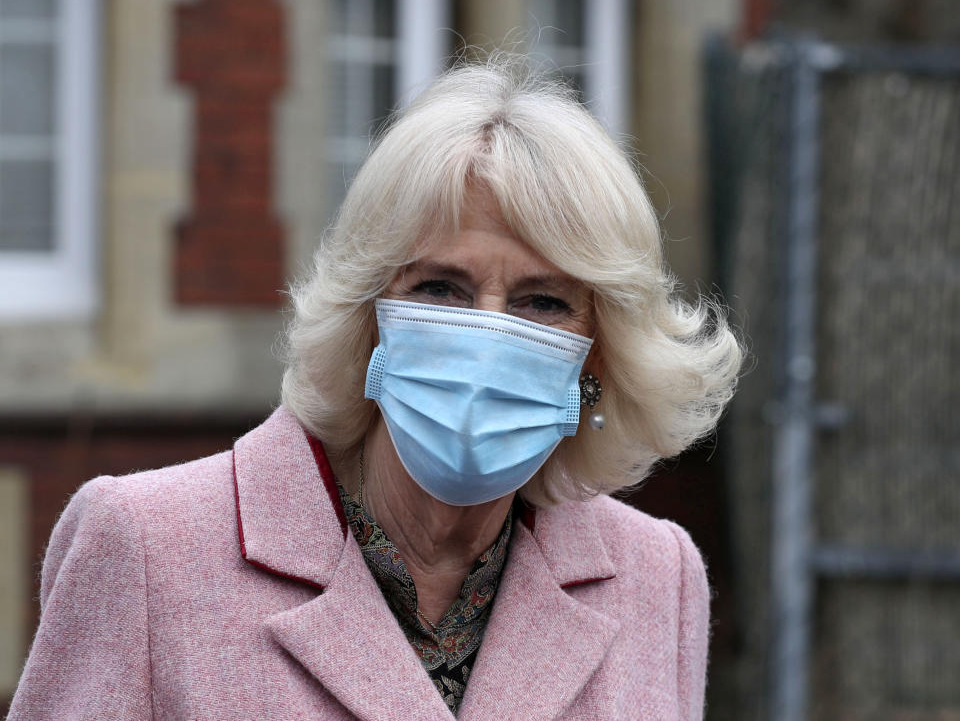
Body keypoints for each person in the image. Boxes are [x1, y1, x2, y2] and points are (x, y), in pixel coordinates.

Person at [10, 55, 741, 720]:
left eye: (542, 302)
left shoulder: (656, 577)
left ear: (598, 359)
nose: (486, 338)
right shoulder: (146, 548)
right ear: (368, 318)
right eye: (441, 289)